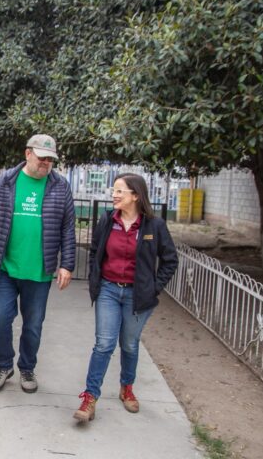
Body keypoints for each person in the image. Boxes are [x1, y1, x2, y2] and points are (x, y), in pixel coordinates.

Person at [0, 134, 76, 394]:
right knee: (2, 318)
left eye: (50, 160)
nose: (46, 164)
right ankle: (4, 365)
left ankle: (27, 367)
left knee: (33, 324)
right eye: (42, 158)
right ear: (27, 153)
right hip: (4, 268)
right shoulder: (5, 181)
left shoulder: (61, 187)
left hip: (39, 272)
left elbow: (68, 228)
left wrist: (68, 264)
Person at [74, 173, 178, 422]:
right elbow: (95, 252)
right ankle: (90, 397)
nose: (114, 195)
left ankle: (126, 388)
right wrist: (95, 279)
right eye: (114, 190)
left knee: (130, 344)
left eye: (120, 191)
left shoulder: (154, 226)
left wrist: (154, 287)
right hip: (109, 290)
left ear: (136, 195)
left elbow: (170, 260)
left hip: (138, 295)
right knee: (104, 344)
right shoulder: (107, 220)